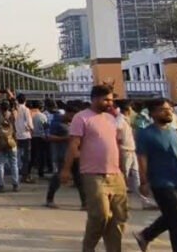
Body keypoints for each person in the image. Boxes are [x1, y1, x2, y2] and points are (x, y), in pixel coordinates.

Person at [62, 85, 127, 252]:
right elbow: (74, 144)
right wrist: (66, 170)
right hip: (93, 175)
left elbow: (115, 144)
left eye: (111, 100)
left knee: (119, 217)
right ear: (95, 99)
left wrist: (122, 168)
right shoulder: (81, 118)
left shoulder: (111, 119)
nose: (110, 103)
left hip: (115, 174)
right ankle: (88, 248)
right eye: (106, 100)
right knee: (100, 215)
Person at [133, 99, 177, 252]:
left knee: (173, 215)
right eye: (163, 109)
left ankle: (145, 235)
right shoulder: (145, 134)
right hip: (160, 181)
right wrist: (144, 182)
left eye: (170, 109)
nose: (168, 112)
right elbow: (142, 158)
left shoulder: (174, 132)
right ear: (153, 113)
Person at [116, 100, 157, 210]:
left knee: (136, 176)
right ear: (128, 109)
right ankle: (122, 202)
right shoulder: (119, 120)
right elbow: (117, 136)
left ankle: (144, 201)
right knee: (124, 177)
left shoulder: (127, 120)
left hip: (131, 149)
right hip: (124, 150)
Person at [46, 102, 84, 209]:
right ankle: (50, 199)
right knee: (58, 177)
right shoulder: (56, 122)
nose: (73, 118)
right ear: (67, 113)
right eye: (71, 116)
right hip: (62, 154)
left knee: (79, 179)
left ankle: (85, 203)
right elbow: (49, 137)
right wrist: (65, 138)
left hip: (75, 154)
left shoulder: (74, 123)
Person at [0, 101, 20, 193]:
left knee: (0, 164)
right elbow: (15, 129)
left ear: (0, 108)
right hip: (11, 142)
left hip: (1, 143)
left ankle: (0, 185)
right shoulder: (12, 115)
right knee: (14, 164)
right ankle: (15, 184)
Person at [14, 94, 35, 183]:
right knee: (26, 157)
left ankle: (16, 174)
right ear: (25, 100)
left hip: (17, 135)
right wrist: (32, 129)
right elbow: (29, 123)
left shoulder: (15, 109)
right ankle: (25, 175)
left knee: (17, 155)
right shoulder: (26, 110)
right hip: (25, 135)